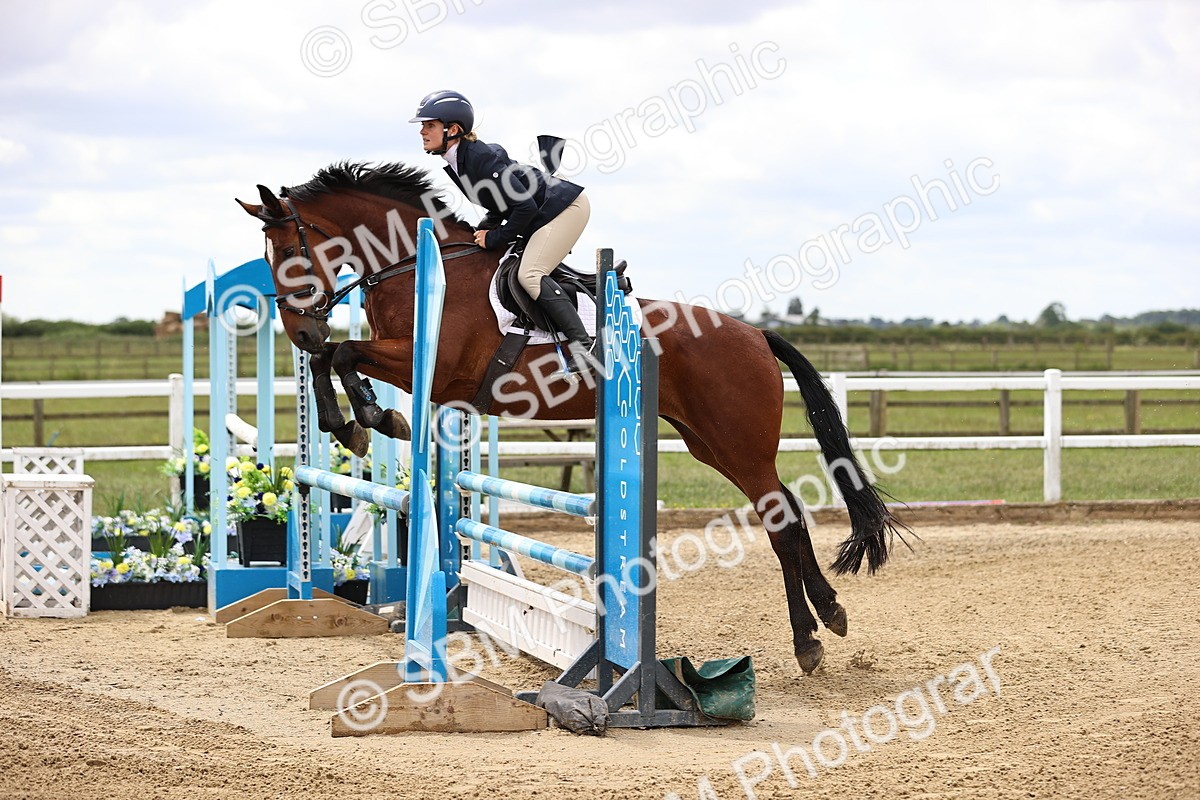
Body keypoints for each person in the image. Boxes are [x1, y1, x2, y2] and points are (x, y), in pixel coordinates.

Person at [409, 89, 596, 375]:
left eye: (429, 125)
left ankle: (584, 346)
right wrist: (481, 230)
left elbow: (525, 208)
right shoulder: (459, 161)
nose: (422, 131)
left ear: (453, 129)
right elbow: (500, 204)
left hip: (565, 209)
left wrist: (495, 237)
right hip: (544, 211)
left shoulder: (479, 158)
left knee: (529, 274)